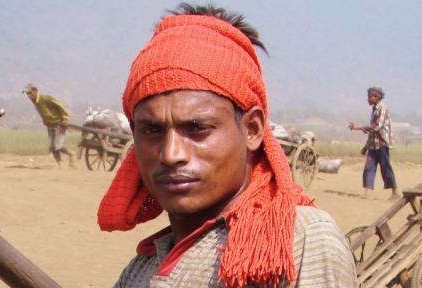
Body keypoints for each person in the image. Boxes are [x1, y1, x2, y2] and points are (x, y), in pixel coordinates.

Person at [97, 3, 356, 287]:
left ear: (252, 129)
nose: (171, 154)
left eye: (197, 129)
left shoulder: (299, 242)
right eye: (152, 130)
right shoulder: (140, 270)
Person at [349, 86, 399, 200]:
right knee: (369, 167)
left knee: (385, 168)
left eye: (370, 96)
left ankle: (395, 191)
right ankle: (367, 192)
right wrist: (366, 147)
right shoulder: (374, 110)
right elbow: (372, 132)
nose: (368, 99)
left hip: (382, 144)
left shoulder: (383, 109)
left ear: (377, 97)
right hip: (373, 145)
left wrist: (358, 127)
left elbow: (377, 127)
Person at [23, 83, 75, 168]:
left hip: (59, 124)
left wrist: (65, 118)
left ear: (35, 91)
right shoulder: (35, 102)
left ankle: (71, 154)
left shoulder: (45, 98)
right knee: (52, 147)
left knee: (57, 146)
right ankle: (60, 165)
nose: (28, 95)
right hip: (50, 125)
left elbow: (60, 105)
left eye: (30, 93)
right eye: (27, 94)